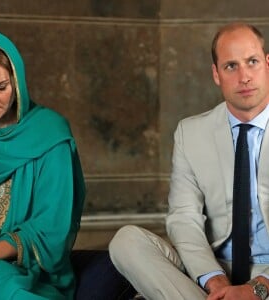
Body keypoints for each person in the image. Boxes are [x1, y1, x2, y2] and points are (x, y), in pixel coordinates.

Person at [109, 22, 269, 300]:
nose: (244, 76)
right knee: (127, 241)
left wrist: (257, 289)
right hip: (212, 265)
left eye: (252, 62)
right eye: (231, 66)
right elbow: (184, 218)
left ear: (267, 64)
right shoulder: (191, 132)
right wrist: (214, 281)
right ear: (216, 74)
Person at [0, 30, 86, 299]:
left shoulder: (50, 134)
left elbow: (51, 228)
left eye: (1, 87)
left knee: (2, 284)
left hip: (26, 273)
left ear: (18, 82)